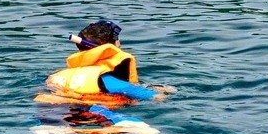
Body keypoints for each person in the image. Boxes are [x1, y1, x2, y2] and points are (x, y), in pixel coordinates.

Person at [36, 19, 172, 124]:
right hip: (86, 114)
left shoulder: (60, 75)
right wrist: (163, 92)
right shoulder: (104, 78)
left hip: (49, 114)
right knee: (146, 130)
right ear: (111, 47)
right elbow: (152, 96)